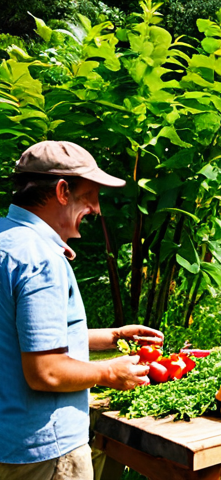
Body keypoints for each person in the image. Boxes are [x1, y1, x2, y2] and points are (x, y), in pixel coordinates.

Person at [0, 141, 163, 480]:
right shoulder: (41, 260)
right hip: (44, 451)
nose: (97, 208)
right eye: (91, 195)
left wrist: (113, 336)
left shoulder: (8, 240)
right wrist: (110, 373)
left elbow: (25, 336)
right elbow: (46, 370)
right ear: (62, 191)